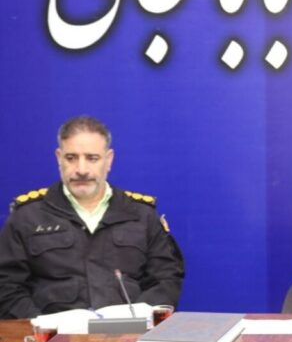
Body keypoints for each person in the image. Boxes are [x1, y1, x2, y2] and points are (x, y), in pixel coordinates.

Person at [0, 116, 185, 318]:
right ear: (59, 158)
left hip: (129, 332)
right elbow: (7, 286)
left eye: (92, 158)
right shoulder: (27, 217)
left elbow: (166, 279)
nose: (81, 170)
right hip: (49, 334)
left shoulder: (142, 215)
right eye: (71, 158)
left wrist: (138, 321)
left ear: (109, 160)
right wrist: (41, 326)